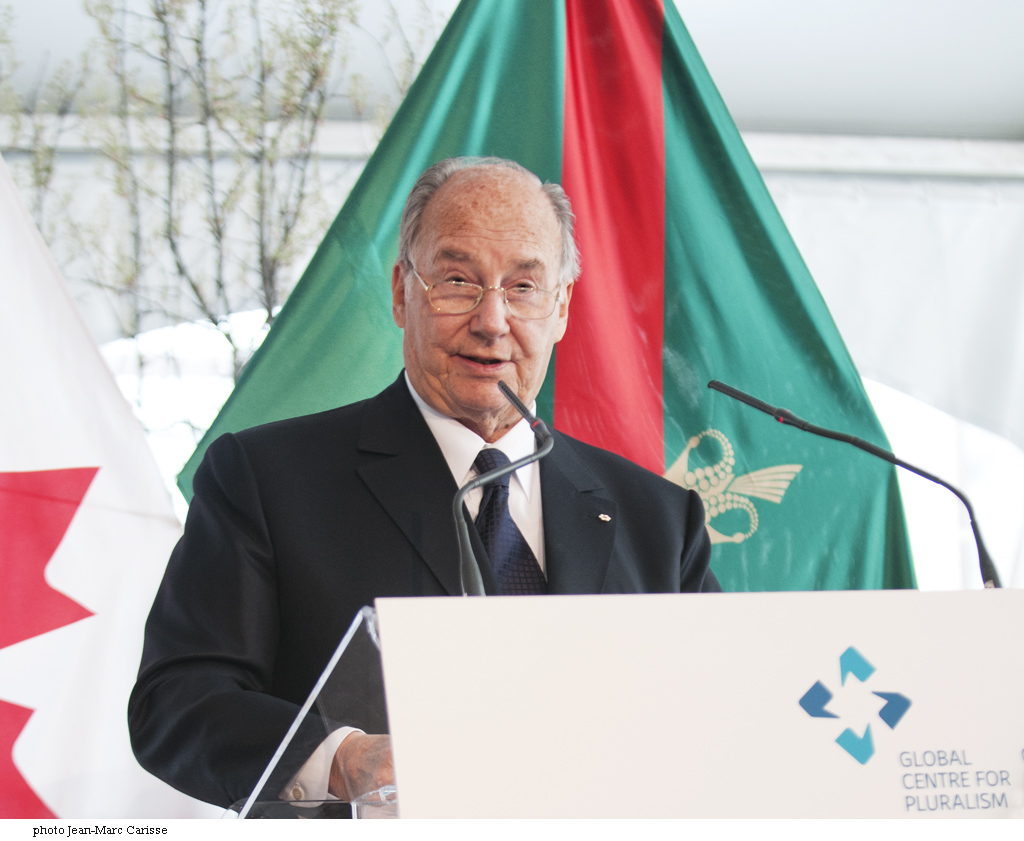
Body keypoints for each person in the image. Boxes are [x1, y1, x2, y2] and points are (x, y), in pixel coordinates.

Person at [128, 156, 720, 812]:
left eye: (523, 287)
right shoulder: (267, 478)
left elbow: (722, 719)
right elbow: (177, 702)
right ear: (401, 292)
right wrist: (343, 759)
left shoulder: (660, 518)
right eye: (459, 280)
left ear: (561, 309)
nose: (493, 321)